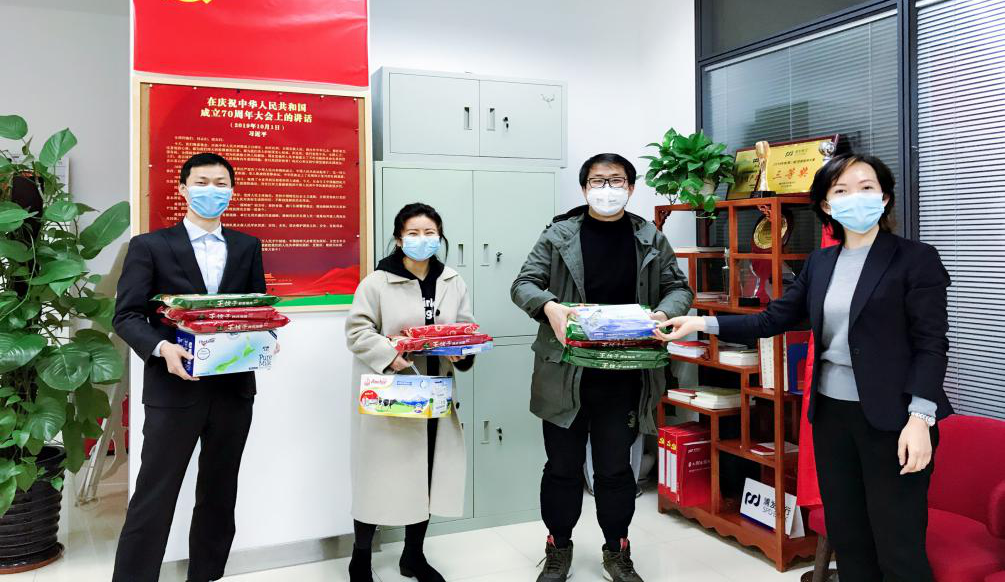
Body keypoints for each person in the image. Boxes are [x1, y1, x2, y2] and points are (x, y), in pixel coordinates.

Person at [656, 154, 952, 582]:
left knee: (898, 546)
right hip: (831, 417)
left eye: (867, 188)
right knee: (848, 539)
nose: (856, 197)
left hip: (895, 420)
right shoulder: (821, 263)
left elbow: (932, 344)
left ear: (885, 198)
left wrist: (920, 418)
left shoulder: (915, 259)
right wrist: (702, 323)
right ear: (827, 205)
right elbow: (771, 320)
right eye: (842, 190)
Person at [511, 154, 694, 582]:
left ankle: (617, 550)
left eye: (617, 180)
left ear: (631, 187)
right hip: (565, 374)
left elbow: (678, 288)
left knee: (616, 471)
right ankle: (558, 548)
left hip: (626, 375)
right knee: (562, 468)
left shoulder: (649, 237)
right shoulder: (559, 235)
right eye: (598, 181)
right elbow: (524, 284)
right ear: (584, 188)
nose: (607, 189)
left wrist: (663, 314)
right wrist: (549, 306)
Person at [112, 153, 268, 582]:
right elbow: (126, 316)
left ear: (232, 191)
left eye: (221, 184)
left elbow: (256, 311)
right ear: (182, 188)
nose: (211, 191)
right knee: (154, 494)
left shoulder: (247, 246)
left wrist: (264, 340)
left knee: (220, 491)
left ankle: (206, 574)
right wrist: (162, 347)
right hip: (173, 389)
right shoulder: (150, 246)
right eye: (202, 182)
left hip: (234, 390)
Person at [345, 203, 476, 582]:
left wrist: (463, 349)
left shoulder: (452, 280)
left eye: (429, 233)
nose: (422, 240)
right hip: (392, 391)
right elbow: (357, 331)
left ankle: (413, 556)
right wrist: (390, 354)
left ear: (440, 237)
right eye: (413, 233)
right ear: (399, 239)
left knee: (428, 475)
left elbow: (465, 327)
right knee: (377, 475)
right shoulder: (377, 282)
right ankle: (360, 557)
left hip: (435, 392)